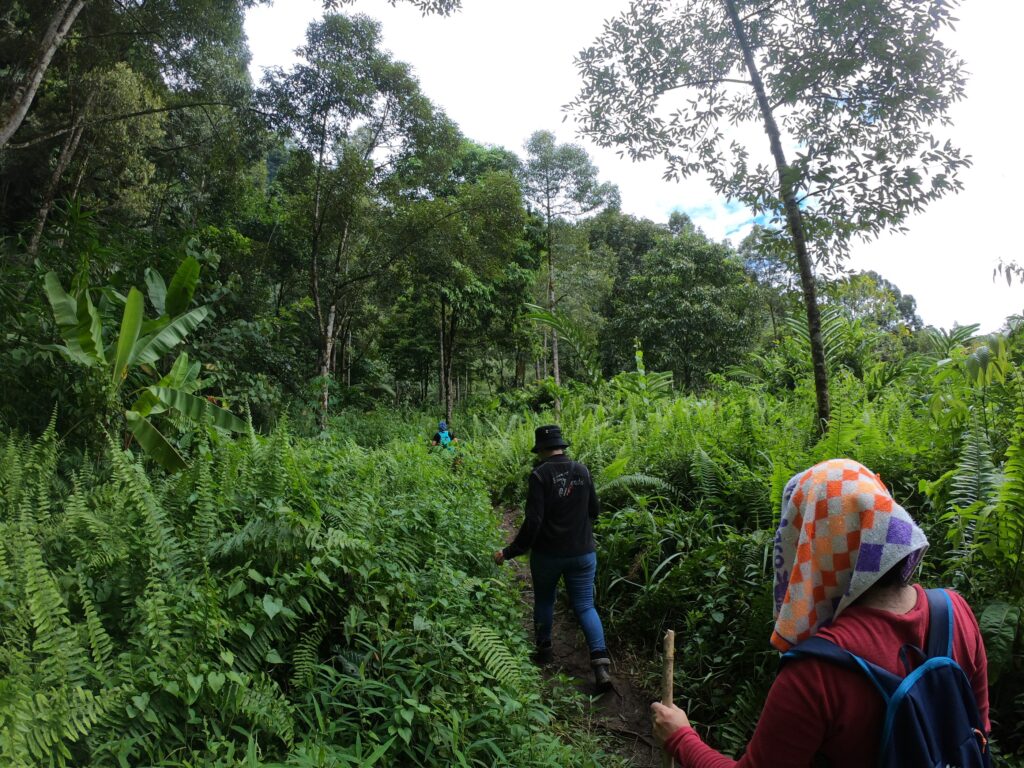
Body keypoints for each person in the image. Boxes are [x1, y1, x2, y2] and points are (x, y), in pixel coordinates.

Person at [651, 458, 990, 768]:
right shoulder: (955, 610)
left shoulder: (816, 672)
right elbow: (978, 732)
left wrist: (681, 737)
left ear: (814, 548)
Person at [493, 424, 613, 692]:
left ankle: (544, 651)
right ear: (561, 446)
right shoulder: (582, 470)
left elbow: (533, 522)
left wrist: (511, 551)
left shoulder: (539, 475)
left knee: (545, 599)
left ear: (541, 450)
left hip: (548, 554)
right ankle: (600, 664)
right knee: (585, 606)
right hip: (583, 553)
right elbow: (594, 509)